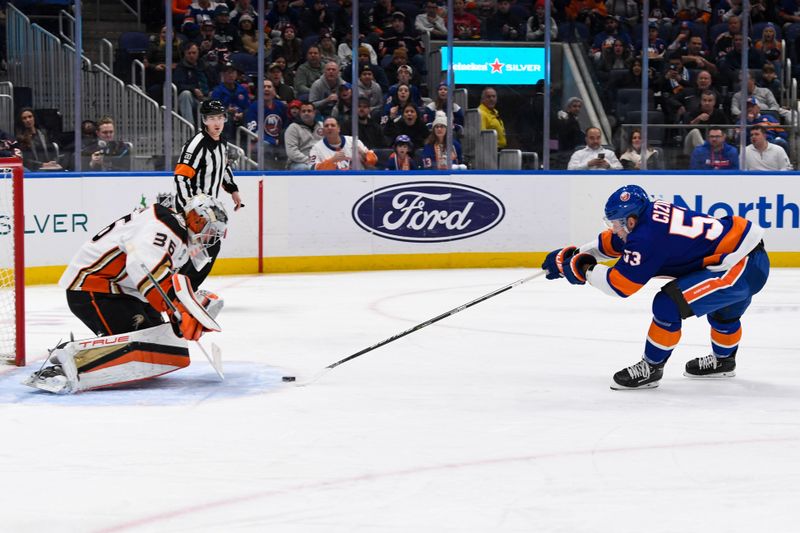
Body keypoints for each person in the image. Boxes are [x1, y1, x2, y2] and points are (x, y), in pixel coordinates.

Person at [541, 184, 769, 389]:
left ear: (630, 220)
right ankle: (723, 361)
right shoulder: (648, 215)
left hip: (740, 268)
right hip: (748, 258)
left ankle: (651, 368)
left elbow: (620, 285)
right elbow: (616, 242)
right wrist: (577, 254)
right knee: (724, 314)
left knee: (668, 304)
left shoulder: (646, 239)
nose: (614, 228)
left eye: (616, 223)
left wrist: (584, 269)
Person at [23, 194, 229, 394]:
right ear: (195, 218)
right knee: (142, 347)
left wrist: (183, 308)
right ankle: (67, 363)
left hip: (124, 291)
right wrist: (176, 307)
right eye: (210, 231)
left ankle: (79, 353)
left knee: (162, 345)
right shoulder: (166, 228)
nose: (210, 238)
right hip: (93, 288)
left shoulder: (177, 232)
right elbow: (143, 267)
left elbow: (161, 278)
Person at [174, 100, 243, 289]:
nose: (217, 122)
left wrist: (233, 189)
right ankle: (184, 289)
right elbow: (181, 177)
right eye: (212, 118)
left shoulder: (221, 141)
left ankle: (185, 289)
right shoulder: (196, 145)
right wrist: (189, 208)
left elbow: (223, 167)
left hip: (209, 209)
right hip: (193, 210)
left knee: (207, 249)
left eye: (220, 117)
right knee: (204, 249)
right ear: (204, 120)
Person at [308, 116, 378, 170]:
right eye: (326, 126)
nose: (329, 128)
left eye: (332, 125)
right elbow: (312, 169)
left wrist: (364, 155)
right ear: (323, 130)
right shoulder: (316, 148)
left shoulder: (353, 141)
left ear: (339, 128)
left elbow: (374, 161)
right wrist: (332, 161)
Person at [284, 101, 323, 170]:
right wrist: (310, 161)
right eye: (303, 111)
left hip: (320, 160)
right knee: (305, 168)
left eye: (309, 111)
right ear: (300, 113)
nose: (306, 113)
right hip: (298, 162)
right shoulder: (293, 128)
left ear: (314, 113)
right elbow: (292, 152)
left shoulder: (322, 126)